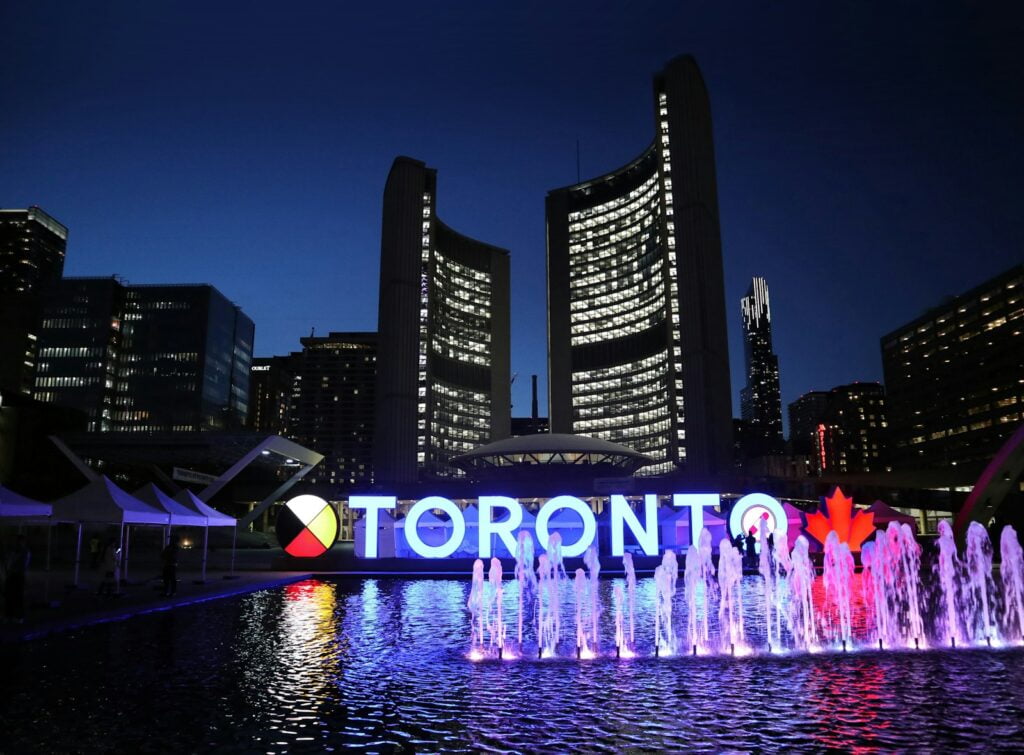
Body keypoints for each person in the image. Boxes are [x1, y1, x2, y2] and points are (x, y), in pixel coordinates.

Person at [4, 534, 31, 623]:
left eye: (20, 541)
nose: (18, 543)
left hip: (17, 576)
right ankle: (10, 615)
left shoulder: (24, 552)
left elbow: (23, 565)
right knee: (9, 596)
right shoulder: (14, 551)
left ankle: (18, 616)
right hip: (13, 575)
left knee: (18, 596)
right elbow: (10, 562)